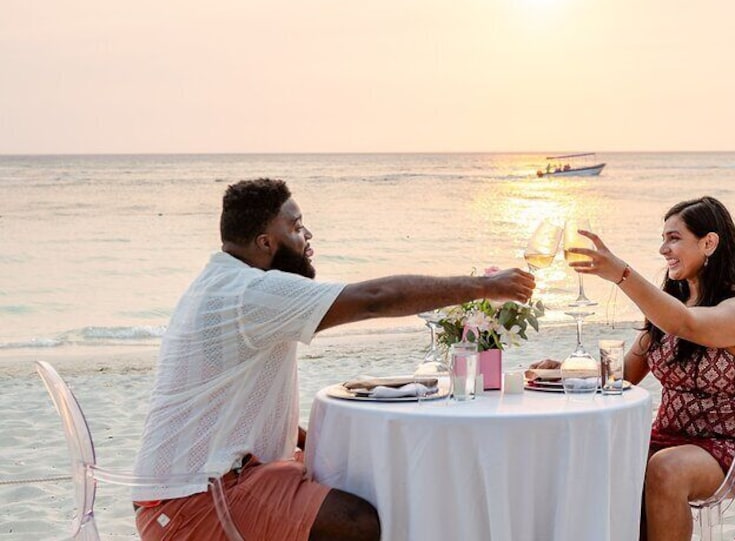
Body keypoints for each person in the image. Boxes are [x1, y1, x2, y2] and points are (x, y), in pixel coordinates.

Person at [132, 178, 535, 541]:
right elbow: (376, 300)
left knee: (350, 481)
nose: (306, 235)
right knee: (356, 523)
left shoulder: (223, 283)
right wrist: (485, 286)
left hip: (199, 486)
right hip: (194, 502)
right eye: (295, 226)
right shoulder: (251, 292)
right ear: (265, 243)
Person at [533, 196, 735, 540]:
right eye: (663, 238)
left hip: (733, 442)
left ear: (709, 243)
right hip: (668, 437)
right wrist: (563, 370)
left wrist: (622, 274)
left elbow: (688, 325)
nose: (663, 249)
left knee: (664, 469)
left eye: (674, 238)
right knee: (597, 458)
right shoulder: (668, 311)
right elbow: (620, 374)